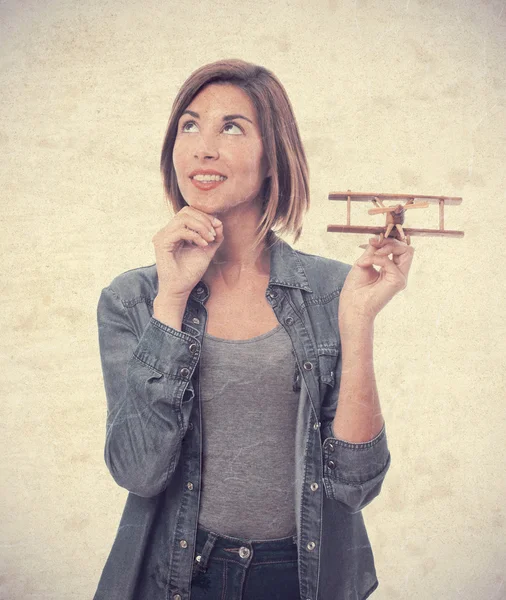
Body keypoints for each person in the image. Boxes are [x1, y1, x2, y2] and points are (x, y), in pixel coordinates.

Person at [94, 59, 414, 600]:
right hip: (178, 575)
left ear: (273, 158)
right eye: (189, 126)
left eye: (232, 127)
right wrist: (171, 299)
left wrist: (356, 322)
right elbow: (137, 471)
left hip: (299, 576)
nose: (203, 147)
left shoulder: (332, 290)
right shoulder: (133, 299)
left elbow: (356, 485)